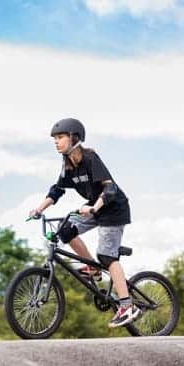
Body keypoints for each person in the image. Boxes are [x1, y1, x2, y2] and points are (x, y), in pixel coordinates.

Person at [28, 118, 138, 328]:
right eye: (55, 139)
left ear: (74, 138)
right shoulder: (68, 165)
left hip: (113, 208)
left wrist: (94, 208)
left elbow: (110, 189)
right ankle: (93, 269)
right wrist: (39, 209)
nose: (56, 142)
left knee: (107, 255)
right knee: (66, 230)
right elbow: (57, 190)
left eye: (60, 137)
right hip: (93, 208)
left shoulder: (90, 158)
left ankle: (127, 306)